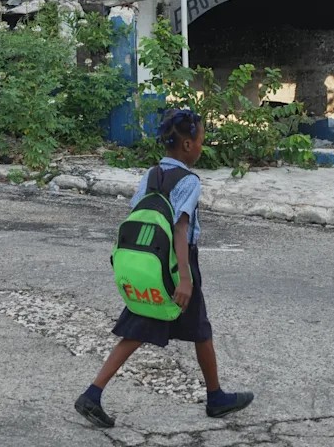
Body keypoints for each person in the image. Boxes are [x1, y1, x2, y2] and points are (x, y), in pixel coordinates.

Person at [75, 108, 254, 428]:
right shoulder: (189, 181)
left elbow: (138, 213)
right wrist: (185, 277)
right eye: (200, 141)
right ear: (187, 145)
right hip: (176, 263)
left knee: (139, 327)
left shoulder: (152, 174)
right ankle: (216, 398)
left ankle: (93, 393)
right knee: (201, 330)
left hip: (150, 261)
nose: (201, 146)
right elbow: (180, 230)